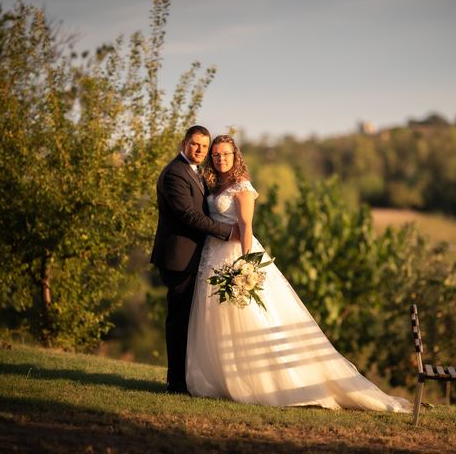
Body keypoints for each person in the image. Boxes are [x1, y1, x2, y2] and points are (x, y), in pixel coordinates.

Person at [185, 135, 412, 413]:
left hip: (235, 254)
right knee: (217, 318)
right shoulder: (215, 183)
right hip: (212, 255)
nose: (221, 159)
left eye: (226, 155)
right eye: (217, 155)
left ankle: (262, 383)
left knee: (252, 317)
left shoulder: (242, 186)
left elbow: (246, 226)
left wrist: (246, 264)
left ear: (236, 156)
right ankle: (221, 381)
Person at [151, 125, 236, 394]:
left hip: (194, 258)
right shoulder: (175, 173)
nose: (199, 150)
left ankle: (187, 380)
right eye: (195, 144)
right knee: (178, 322)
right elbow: (190, 216)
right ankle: (175, 383)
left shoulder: (196, 172)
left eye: (203, 146)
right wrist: (227, 231)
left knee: (189, 321)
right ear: (185, 142)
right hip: (179, 259)